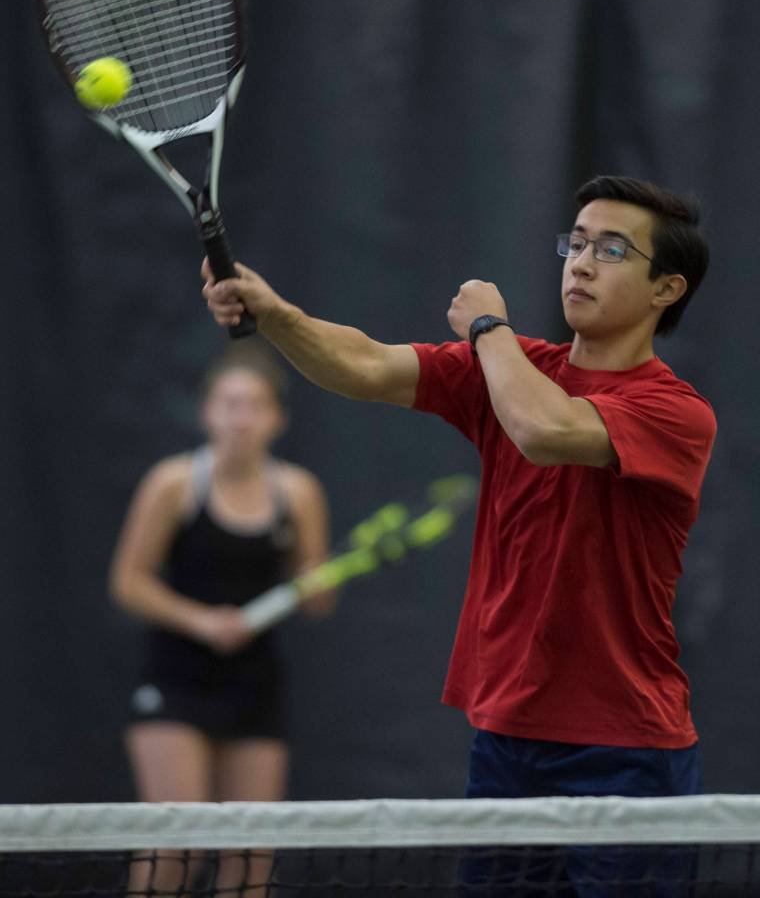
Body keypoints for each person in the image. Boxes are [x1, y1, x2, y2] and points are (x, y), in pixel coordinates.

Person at [201, 175, 715, 896]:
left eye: (613, 249)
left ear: (667, 289)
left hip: (626, 749)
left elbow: (544, 430)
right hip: (506, 740)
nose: (582, 262)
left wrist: (487, 328)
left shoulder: (674, 411)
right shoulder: (514, 370)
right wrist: (275, 312)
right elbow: (365, 363)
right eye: (577, 243)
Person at [109, 341, 332, 893]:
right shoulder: (173, 484)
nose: (241, 419)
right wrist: (202, 622)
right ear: (207, 411)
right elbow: (128, 583)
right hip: (175, 684)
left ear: (276, 419)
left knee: (252, 861)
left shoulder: (299, 493)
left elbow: (316, 599)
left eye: (255, 406)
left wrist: (315, 586)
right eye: (229, 404)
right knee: (175, 849)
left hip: (254, 688)